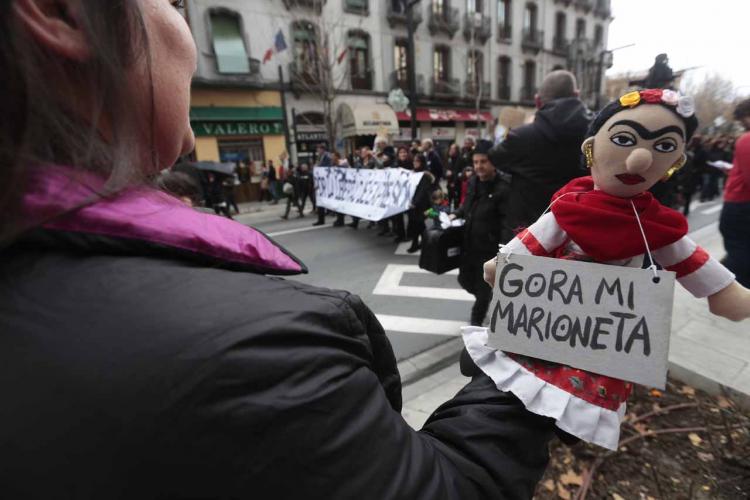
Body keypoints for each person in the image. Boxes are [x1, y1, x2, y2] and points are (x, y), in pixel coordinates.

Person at [0, 1, 559, 497]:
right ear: (58, 11)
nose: (186, 27)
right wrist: (544, 344)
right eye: (171, 2)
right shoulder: (259, 354)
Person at [472, 89, 750, 451]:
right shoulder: (569, 206)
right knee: (535, 369)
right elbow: (535, 240)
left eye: (663, 146)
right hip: (554, 313)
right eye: (623, 139)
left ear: (676, 161)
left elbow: (687, 257)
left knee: (588, 373)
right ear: (591, 148)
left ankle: (567, 421)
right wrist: (504, 265)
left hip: (605, 325)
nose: (638, 160)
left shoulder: (655, 224)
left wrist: (722, 291)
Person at [489, 70, 593, 238]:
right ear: (576, 95)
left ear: (538, 101)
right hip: (578, 236)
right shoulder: (597, 136)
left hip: (527, 238)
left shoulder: (522, 137)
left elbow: (494, 156)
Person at [451, 140, 510, 327]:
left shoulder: (504, 186)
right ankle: (486, 297)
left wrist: (504, 251)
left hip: (489, 251)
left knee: (482, 294)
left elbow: (507, 223)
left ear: (492, 162)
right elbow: (467, 206)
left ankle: (475, 325)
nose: (478, 166)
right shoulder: (473, 182)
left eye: (483, 161)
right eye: (476, 162)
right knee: (465, 280)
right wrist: (456, 214)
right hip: (469, 246)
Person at [720, 98, 750, 287]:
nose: (742, 124)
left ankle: (736, 289)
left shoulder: (746, 140)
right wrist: (733, 172)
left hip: (740, 203)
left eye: (743, 119)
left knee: (737, 247)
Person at [406, 154, 434, 253]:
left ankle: (416, 244)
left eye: (417, 161)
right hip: (413, 204)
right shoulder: (413, 174)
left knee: (418, 225)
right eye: (414, 161)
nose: (415, 163)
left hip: (421, 205)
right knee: (418, 225)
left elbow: (422, 191)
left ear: (422, 162)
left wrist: (415, 203)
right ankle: (422, 243)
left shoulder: (424, 175)